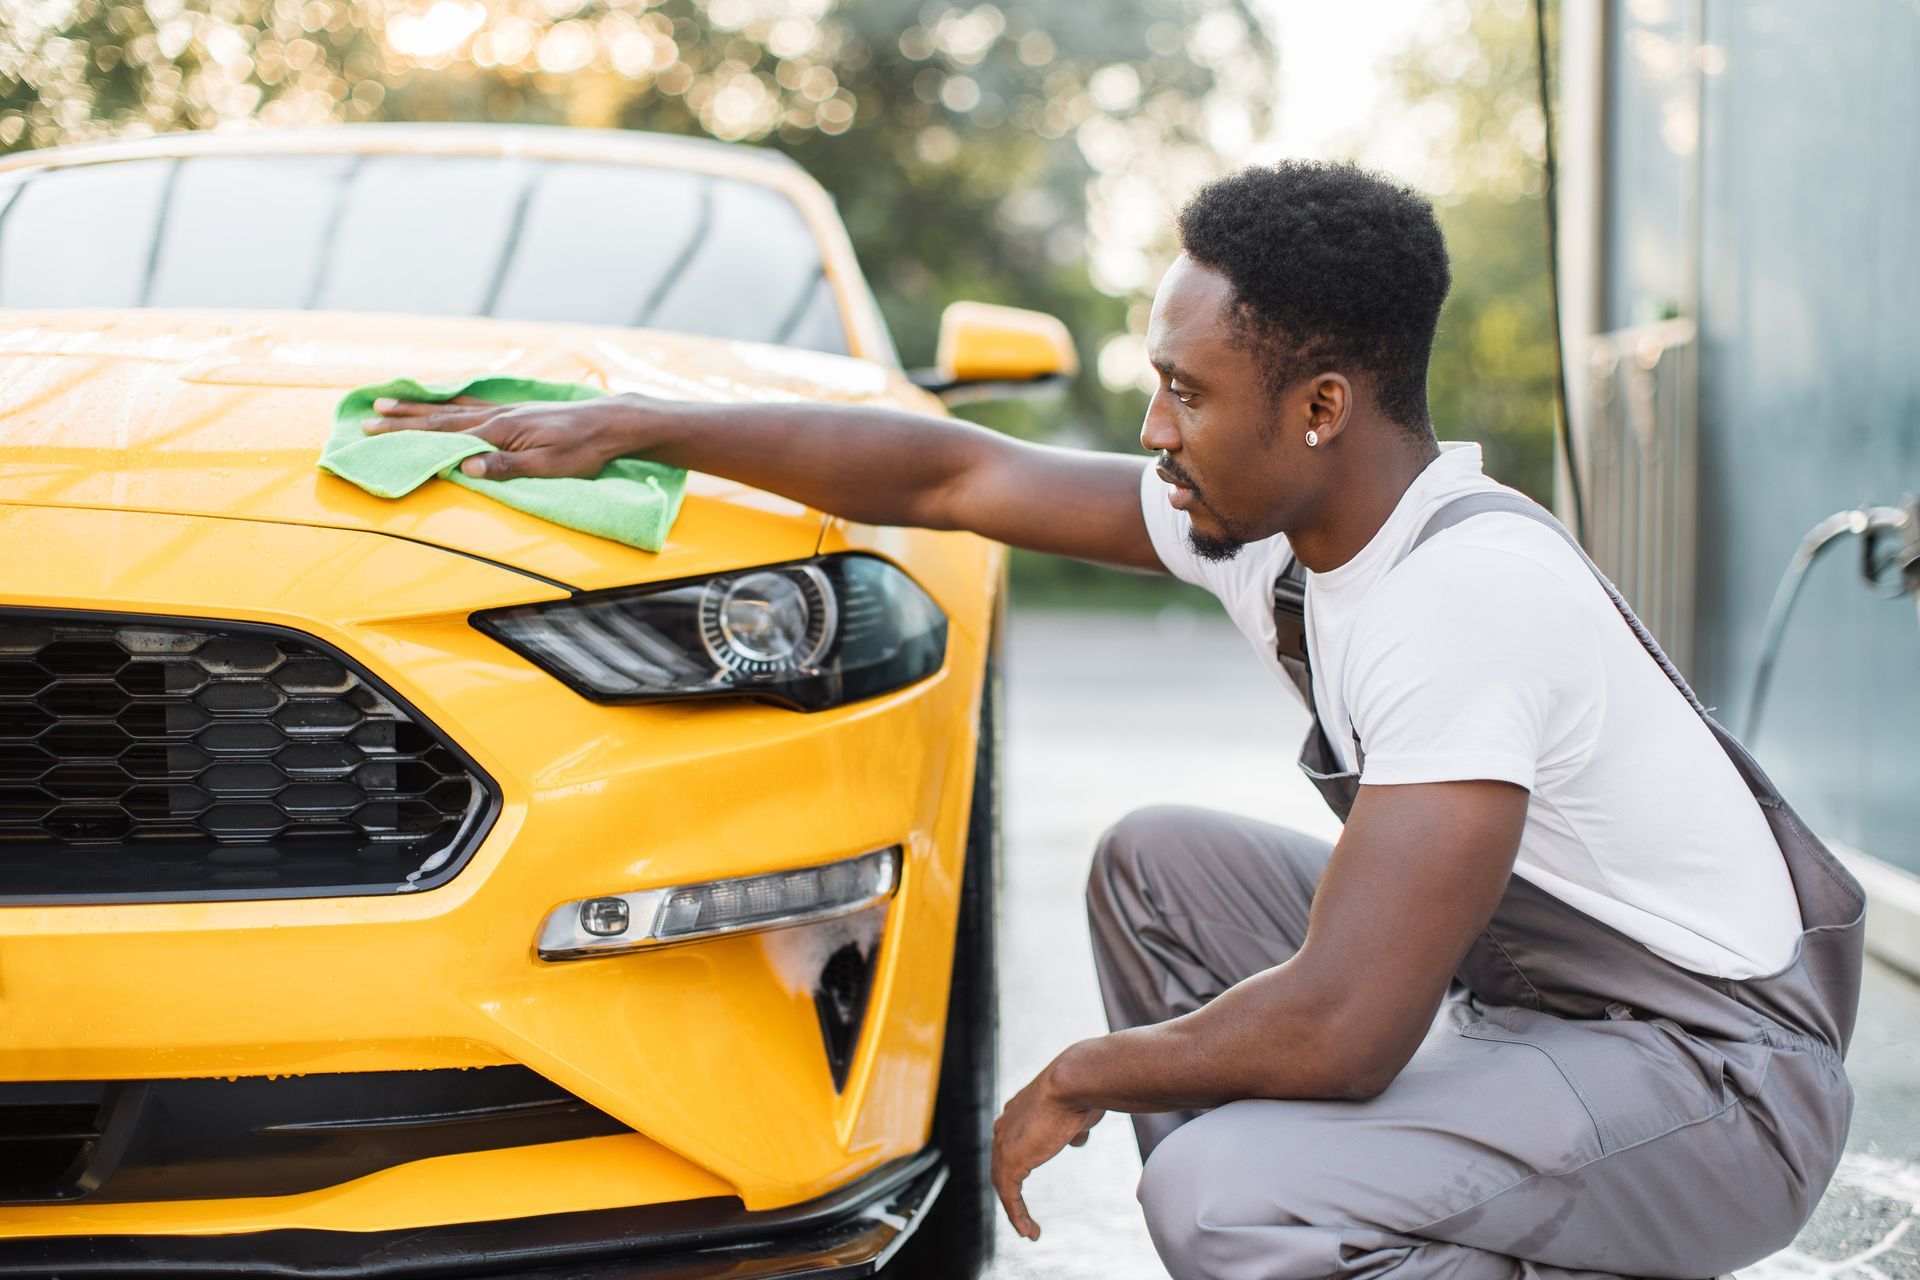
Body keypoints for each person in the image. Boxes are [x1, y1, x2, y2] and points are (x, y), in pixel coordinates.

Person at [366, 160, 1863, 1280]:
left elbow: (1348, 1030)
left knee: (1227, 1198)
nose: (1154, 429)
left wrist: (1083, 1075)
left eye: (1182, 392)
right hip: (1538, 1010)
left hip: (1716, 1085)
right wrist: (641, 424)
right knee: (1158, 865)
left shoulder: (1463, 601)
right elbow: (954, 477)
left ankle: (1347, 1233)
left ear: (1322, 408)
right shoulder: (1287, 523)